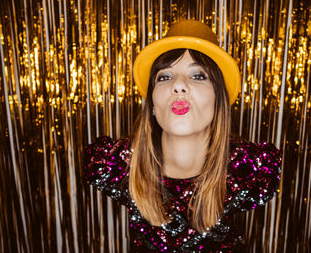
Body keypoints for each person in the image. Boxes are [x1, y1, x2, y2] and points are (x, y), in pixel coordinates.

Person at [83, 20, 281, 252]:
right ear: (153, 103)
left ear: (219, 101)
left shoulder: (249, 169)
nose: (178, 86)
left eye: (198, 75)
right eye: (164, 77)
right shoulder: (114, 163)